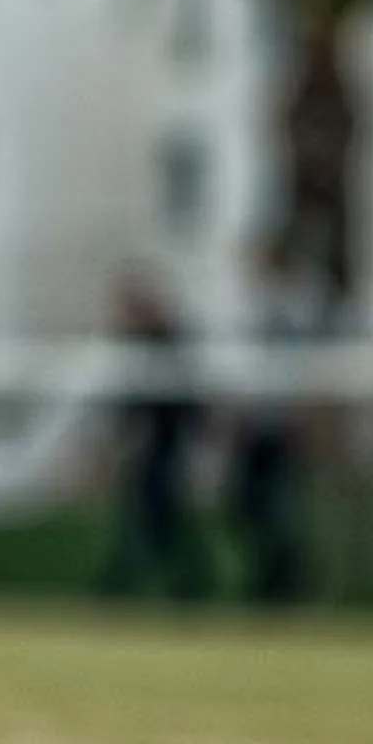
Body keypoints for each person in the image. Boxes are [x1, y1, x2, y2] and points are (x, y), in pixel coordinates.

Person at [97, 272, 211, 601]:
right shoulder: (136, 344)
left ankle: (181, 582)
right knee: (151, 520)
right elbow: (128, 404)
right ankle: (177, 583)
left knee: (159, 520)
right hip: (150, 449)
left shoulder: (170, 342)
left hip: (167, 447)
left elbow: (187, 403)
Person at [226, 244, 319, 606]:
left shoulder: (292, 311)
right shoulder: (249, 308)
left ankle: (289, 582)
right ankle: (271, 577)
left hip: (282, 427)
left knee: (281, 508)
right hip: (253, 427)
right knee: (248, 508)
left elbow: (301, 370)